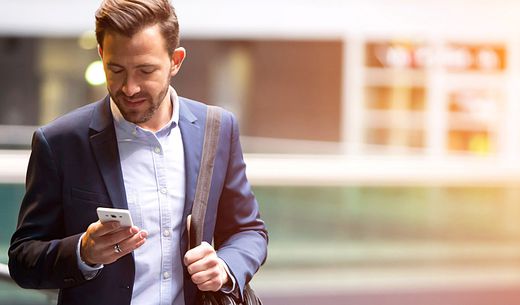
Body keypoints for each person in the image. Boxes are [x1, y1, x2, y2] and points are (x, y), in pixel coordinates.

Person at [8, 0, 268, 304]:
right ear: (102, 55)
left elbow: (248, 230)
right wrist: (83, 251)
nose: (129, 88)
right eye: (116, 70)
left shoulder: (218, 129)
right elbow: (23, 259)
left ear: (176, 61)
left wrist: (225, 267)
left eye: (145, 71)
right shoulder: (60, 142)